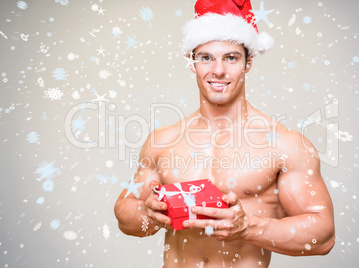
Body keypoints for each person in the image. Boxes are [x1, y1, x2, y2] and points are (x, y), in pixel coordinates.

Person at [114, 0, 335, 267]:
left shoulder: (285, 145)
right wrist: (147, 213)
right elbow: (125, 214)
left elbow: (323, 236)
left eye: (231, 57)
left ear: (248, 62)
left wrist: (248, 228)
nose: (218, 70)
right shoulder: (162, 141)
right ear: (192, 62)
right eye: (206, 57)